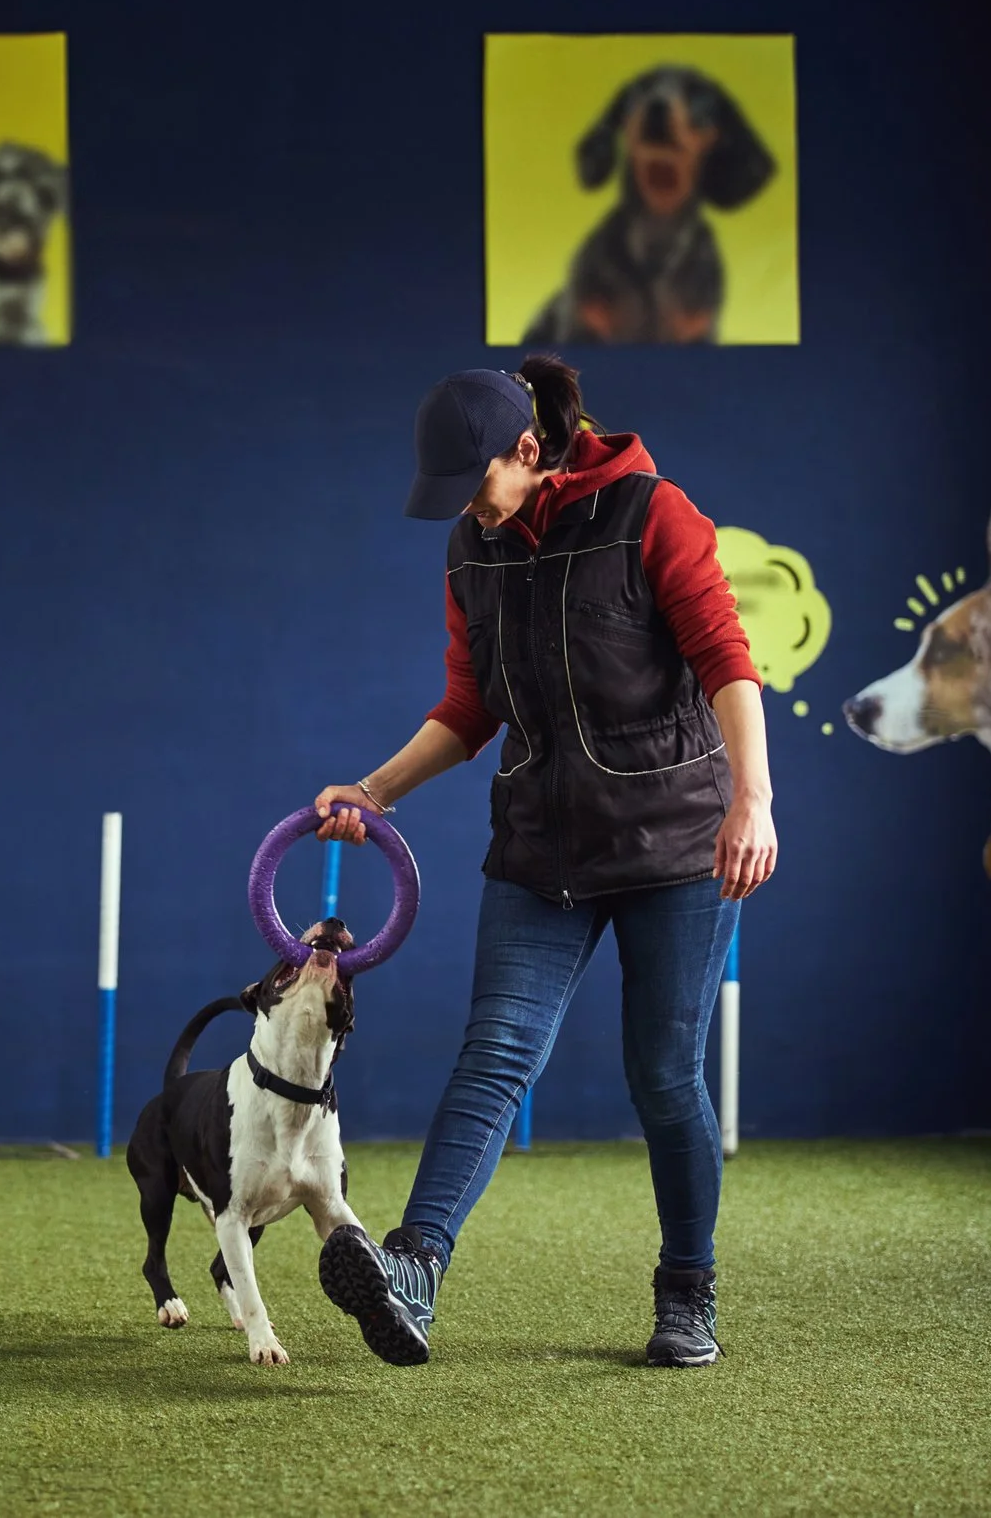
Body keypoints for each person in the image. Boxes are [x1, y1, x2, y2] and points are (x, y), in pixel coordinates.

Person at [312, 355, 776, 1369]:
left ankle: (686, 1289)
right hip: (541, 845)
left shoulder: (651, 513)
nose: (467, 513)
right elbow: (471, 704)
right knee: (494, 1053)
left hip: (673, 843)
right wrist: (375, 788)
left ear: (527, 450)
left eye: (474, 484)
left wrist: (753, 797)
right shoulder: (469, 551)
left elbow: (725, 659)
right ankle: (412, 1269)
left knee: (661, 1073)